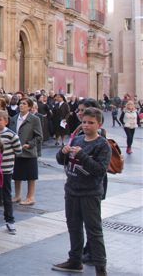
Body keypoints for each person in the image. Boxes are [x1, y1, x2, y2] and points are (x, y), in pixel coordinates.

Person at [53, 108, 110, 276]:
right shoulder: (77, 139)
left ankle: (101, 267)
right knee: (73, 226)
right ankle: (75, 260)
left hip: (90, 193)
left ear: (99, 124)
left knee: (94, 230)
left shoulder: (102, 145)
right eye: (84, 122)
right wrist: (62, 153)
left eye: (91, 123)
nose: (86, 125)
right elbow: (61, 161)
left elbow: (99, 170)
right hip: (71, 190)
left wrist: (82, 155)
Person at [0, 110, 22, 234]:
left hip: (5, 169)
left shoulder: (11, 135)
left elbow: (18, 150)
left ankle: (10, 220)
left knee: (6, 195)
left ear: (6, 121)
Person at [9, 97, 42, 206]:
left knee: (30, 175)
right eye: (20, 103)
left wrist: (30, 144)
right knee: (17, 174)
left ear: (29, 107)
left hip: (29, 151)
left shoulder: (34, 119)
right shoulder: (14, 118)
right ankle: (17, 195)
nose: (21, 105)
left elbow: (39, 136)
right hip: (16, 151)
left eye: (24, 104)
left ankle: (30, 197)